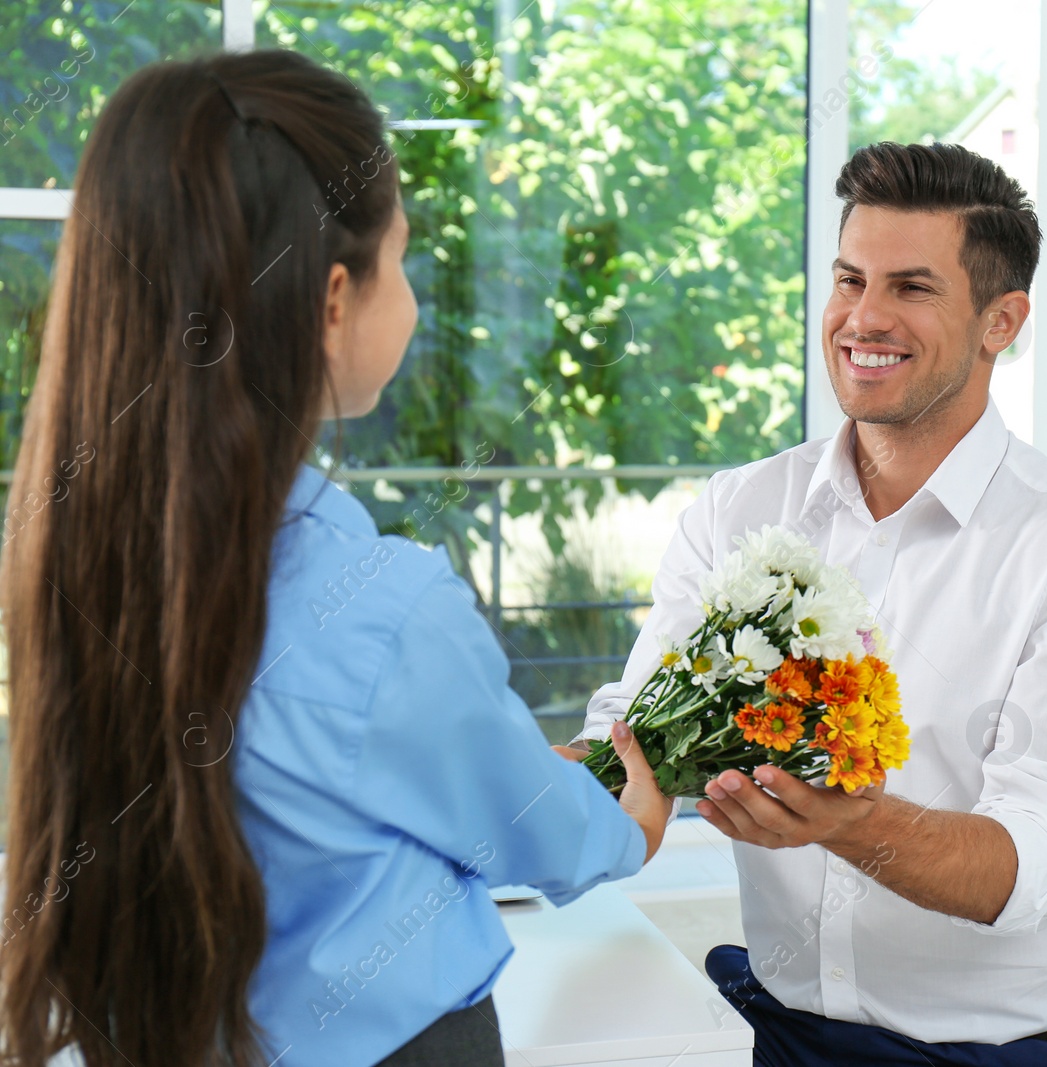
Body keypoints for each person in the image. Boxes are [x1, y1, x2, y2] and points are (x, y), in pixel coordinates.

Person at [0, 50, 671, 1067]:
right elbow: (544, 832)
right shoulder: (383, 608)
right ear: (328, 300)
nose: (411, 295)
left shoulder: (74, 560)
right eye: (401, 259)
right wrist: (634, 816)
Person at [575, 142, 1047, 1066]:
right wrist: (519, 783)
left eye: (913, 288)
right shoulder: (741, 507)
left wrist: (856, 826)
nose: (863, 318)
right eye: (850, 278)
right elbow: (635, 728)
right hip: (778, 1025)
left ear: (1000, 321)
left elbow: (1039, 857)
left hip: (996, 1050)